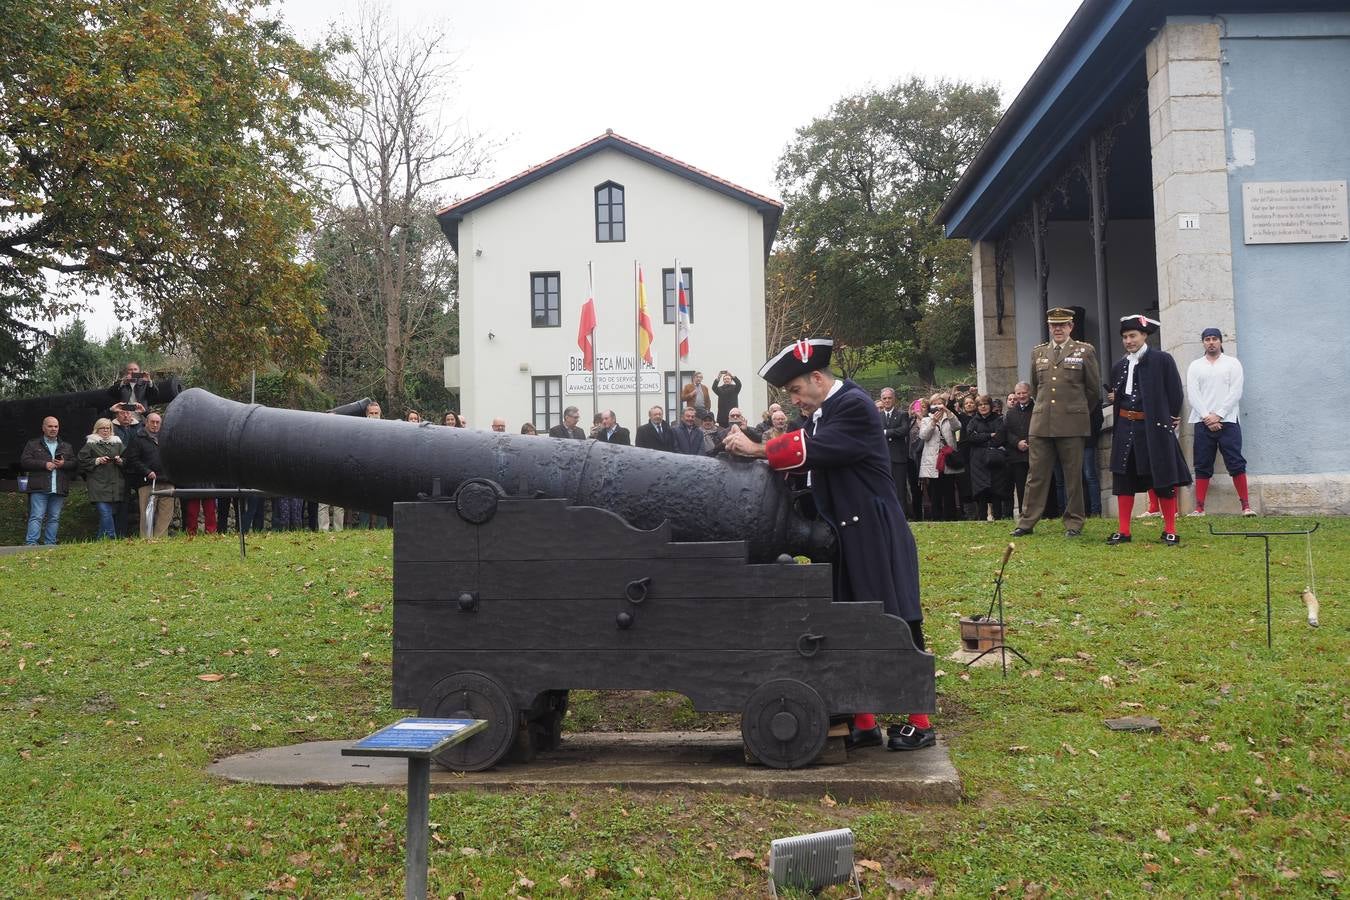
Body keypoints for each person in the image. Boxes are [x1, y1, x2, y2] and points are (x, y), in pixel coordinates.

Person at [721, 338, 931, 752]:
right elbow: (805, 463)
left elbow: (812, 451)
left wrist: (758, 447)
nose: (795, 400)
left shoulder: (852, 405)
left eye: (797, 390)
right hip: (841, 532)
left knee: (895, 618)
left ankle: (919, 720)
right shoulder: (821, 413)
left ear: (817, 379)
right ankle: (864, 719)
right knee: (848, 622)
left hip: (873, 528)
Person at [1011, 308, 1101, 539]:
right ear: (1049, 327)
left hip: (1072, 423)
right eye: (1054, 325)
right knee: (1036, 474)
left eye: (1062, 325)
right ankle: (1027, 521)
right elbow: (1035, 385)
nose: (1058, 329)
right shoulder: (1038, 352)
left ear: (1071, 326)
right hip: (1041, 422)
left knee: (1073, 476)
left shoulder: (1084, 351)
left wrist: (1076, 411)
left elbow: (1093, 390)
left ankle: (1074, 522)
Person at [1105, 315, 1192, 546]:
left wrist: (1170, 418)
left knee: (1162, 477)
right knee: (1124, 478)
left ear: (1144, 336)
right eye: (1124, 337)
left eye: (1132, 336)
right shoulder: (1120, 366)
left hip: (1153, 428)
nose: (1128, 341)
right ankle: (1123, 531)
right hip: (1126, 427)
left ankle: (1170, 529)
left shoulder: (1162, 360)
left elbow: (1175, 392)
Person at [1186, 327, 1255, 517]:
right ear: (1203, 343)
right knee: (1202, 463)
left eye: (1214, 338)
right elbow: (1193, 394)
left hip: (1229, 421)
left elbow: (1236, 392)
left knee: (1235, 462)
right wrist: (1207, 417)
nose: (1211, 342)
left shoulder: (1232, 364)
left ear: (1220, 341)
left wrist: (1220, 414)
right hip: (1202, 421)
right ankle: (1199, 507)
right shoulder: (1195, 366)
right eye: (1207, 339)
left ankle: (1246, 506)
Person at [21, 416, 77, 546]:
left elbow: (74, 464)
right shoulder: (33, 444)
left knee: (54, 518)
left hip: (58, 487)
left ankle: (50, 544)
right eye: (50, 426)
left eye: (56, 426)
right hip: (39, 487)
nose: (53, 429)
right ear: (43, 427)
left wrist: (63, 464)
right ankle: (31, 544)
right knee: (36, 516)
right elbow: (24, 462)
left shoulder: (66, 446)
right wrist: (44, 464)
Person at [124, 411, 176, 538]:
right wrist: (147, 471)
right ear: (146, 423)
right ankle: (146, 538)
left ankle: (160, 539)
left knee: (166, 513)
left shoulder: (167, 439)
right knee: (147, 513)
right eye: (152, 422)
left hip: (167, 481)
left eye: (158, 422)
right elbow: (132, 459)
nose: (155, 425)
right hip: (147, 482)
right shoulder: (138, 439)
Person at [962, 395, 1011, 520]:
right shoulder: (973, 421)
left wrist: (982, 438)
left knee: (996, 491)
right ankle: (982, 519)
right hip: (978, 461)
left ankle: (998, 517)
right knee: (981, 492)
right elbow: (971, 438)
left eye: (985, 404)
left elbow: (1000, 437)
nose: (983, 407)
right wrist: (989, 435)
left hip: (995, 459)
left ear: (990, 405)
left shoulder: (998, 420)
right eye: (980, 405)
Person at [918, 395, 959, 521]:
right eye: (934, 404)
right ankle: (936, 517)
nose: (937, 407)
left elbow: (957, 426)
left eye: (940, 403)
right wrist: (933, 422)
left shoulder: (949, 417)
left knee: (949, 489)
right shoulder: (926, 419)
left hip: (948, 458)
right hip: (933, 460)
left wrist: (948, 411)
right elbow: (923, 436)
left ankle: (950, 517)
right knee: (935, 490)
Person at [112, 405, 144, 538]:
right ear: (117, 415)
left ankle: (146, 533)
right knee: (121, 504)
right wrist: (110, 410)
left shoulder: (138, 427)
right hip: (119, 470)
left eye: (128, 413)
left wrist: (143, 413)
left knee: (144, 500)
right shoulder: (112, 428)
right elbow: (100, 426)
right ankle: (120, 534)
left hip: (137, 470)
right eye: (122, 413)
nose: (126, 415)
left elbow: (150, 428)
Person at [879, 388, 912, 516]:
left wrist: (886, 432)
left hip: (898, 459)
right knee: (884, 490)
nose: (887, 401)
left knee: (900, 490)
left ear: (894, 399)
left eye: (889, 398)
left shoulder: (902, 414)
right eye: (884, 398)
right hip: (883, 459)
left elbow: (904, 430)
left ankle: (901, 517)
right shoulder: (878, 416)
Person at [1003, 383, 1032, 518]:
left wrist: (1029, 441)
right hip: (1017, 456)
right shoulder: (1010, 413)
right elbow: (1006, 432)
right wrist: (1017, 442)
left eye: (1024, 393)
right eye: (1018, 393)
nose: (1021, 396)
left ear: (1030, 393)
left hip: (1035, 454)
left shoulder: (1037, 409)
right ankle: (1023, 513)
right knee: (1020, 487)